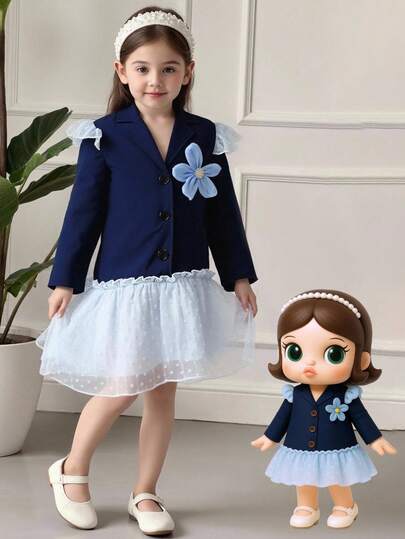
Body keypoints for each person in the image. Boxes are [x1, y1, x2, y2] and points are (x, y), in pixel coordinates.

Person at [36, 6, 258, 535]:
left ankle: (146, 492)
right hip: (125, 284)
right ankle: (71, 471)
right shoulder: (104, 136)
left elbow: (222, 213)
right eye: (142, 68)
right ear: (122, 71)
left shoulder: (205, 136)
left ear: (187, 72)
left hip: (181, 283)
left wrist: (238, 275)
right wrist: (65, 279)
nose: (154, 80)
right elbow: (83, 214)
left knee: (163, 390)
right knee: (121, 384)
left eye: (168, 69)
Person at [251, 289, 396, 529]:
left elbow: (361, 417)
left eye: (333, 354)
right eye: (295, 351)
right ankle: (306, 506)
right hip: (299, 446)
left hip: (336, 446)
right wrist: (270, 437)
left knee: (336, 476)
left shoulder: (346, 395)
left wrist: (375, 439)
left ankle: (345, 505)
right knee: (303, 477)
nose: (310, 363)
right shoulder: (295, 394)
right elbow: (282, 417)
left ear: (361, 360)